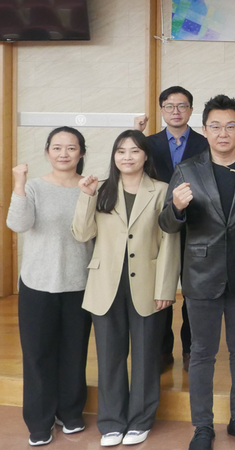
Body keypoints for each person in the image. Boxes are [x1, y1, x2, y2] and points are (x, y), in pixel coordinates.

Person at [158, 95, 235, 450]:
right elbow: (166, 224)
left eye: (230, 126)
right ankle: (202, 426)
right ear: (204, 129)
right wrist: (176, 208)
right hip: (200, 274)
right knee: (202, 352)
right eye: (215, 126)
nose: (223, 133)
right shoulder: (187, 169)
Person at [72, 130, 181, 448]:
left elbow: (169, 241)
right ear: (114, 156)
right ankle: (111, 422)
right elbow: (82, 234)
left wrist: (166, 287)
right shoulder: (100, 189)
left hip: (147, 283)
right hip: (106, 283)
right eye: (121, 151)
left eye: (134, 151)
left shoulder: (161, 190)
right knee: (110, 357)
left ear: (146, 156)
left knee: (146, 357)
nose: (127, 157)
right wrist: (86, 196)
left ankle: (141, 420)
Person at [7, 127, 94, 446]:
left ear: (81, 153)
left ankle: (70, 413)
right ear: (47, 152)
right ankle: (40, 421)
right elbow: (18, 224)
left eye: (71, 148)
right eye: (57, 147)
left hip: (79, 283)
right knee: (38, 355)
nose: (63, 153)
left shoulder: (91, 187)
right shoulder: (33, 187)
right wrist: (19, 183)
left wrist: (88, 195)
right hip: (37, 284)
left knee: (74, 352)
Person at [134, 85, 209, 373]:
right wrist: (136, 134)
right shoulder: (148, 143)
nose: (175, 111)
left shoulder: (205, 143)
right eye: (169, 106)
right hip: (157, 225)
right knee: (160, 289)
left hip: (197, 225)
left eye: (182, 106)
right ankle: (162, 350)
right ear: (161, 110)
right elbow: (129, 170)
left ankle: (191, 350)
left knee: (193, 293)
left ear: (191, 110)